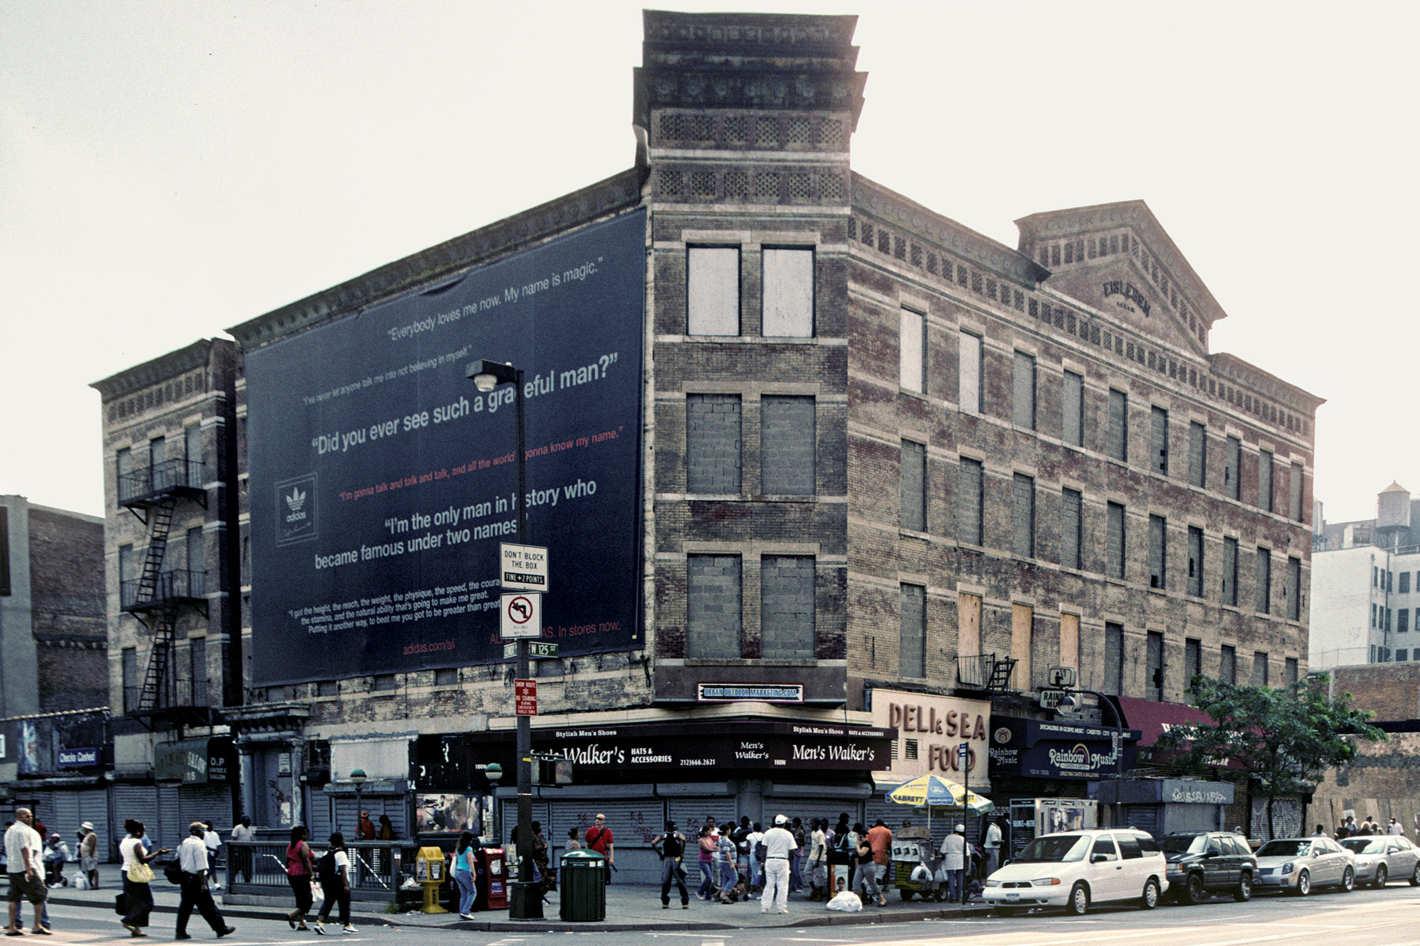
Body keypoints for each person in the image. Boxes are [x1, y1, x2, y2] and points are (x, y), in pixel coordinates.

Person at [175, 821, 235, 939]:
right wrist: (203, 883)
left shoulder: (185, 842)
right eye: (202, 831)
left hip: (186, 878)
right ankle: (220, 928)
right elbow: (201, 866)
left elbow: (178, 858)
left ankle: (180, 931)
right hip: (197, 879)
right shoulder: (199, 844)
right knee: (208, 905)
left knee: (185, 907)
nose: (204, 833)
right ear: (196, 832)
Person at [118, 817, 169, 938]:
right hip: (136, 873)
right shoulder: (136, 843)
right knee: (147, 902)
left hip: (126, 871)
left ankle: (136, 929)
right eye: (143, 831)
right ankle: (128, 920)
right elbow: (143, 860)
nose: (144, 833)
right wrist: (158, 853)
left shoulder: (124, 841)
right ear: (138, 832)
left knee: (134, 902)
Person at [5, 808, 47, 936]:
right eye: (26, 816)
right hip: (24, 868)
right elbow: (25, 850)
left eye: (30, 816)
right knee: (40, 895)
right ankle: (37, 925)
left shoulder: (9, 831)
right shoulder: (23, 831)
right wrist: (29, 868)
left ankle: (12, 927)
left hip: (12, 868)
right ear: (18, 817)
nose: (29, 818)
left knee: (14, 898)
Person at [313, 832, 355, 935]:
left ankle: (320, 923)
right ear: (341, 841)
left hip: (327, 882)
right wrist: (345, 884)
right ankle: (346, 925)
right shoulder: (341, 854)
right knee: (344, 903)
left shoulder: (327, 853)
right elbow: (343, 870)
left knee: (328, 903)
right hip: (339, 882)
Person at [759, 814, 797, 915]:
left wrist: (762, 862)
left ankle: (765, 907)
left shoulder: (768, 833)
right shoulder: (788, 834)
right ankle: (781, 908)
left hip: (770, 860)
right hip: (783, 861)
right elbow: (792, 851)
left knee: (769, 885)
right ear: (784, 823)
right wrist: (790, 862)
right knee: (782, 885)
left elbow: (764, 849)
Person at [652, 820, 689, 909]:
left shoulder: (664, 835)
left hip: (669, 859)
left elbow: (653, 843)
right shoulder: (677, 835)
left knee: (667, 881)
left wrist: (660, 854)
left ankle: (666, 902)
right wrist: (681, 854)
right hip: (675, 858)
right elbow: (684, 842)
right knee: (679, 881)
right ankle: (684, 902)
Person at [284, 826, 315, 931]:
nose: (307, 836)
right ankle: (292, 915)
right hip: (302, 873)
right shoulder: (303, 844)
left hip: (291, 873)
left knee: (300, 898)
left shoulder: (290, 845)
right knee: (308, 899)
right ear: (302, 834)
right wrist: (312, 874)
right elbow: (307, 860)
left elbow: (287, 860)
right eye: (306, 834)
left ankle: (302, 923)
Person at [865, 818, 893, 906]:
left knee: (870, 876)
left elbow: (867, 843)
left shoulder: (870, 831)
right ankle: (871, 893)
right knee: (878, 877)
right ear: (883, 824)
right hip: (882, 856)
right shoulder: (887, 831)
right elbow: (889, 844)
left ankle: (869, 893)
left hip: (871, 856)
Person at [851, 821, 880, 906]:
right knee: (855, 884)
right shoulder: (860, 843)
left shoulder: (866, 843)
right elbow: (857, 856)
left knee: (872, 884)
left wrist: (857, 845)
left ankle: (881, 898)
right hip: (861, 866)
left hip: (868, 866)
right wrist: (857, 867)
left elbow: (861, 853)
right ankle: (858, 902)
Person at [451, 831, 477, 920]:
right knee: (473, 892)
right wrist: (474, 873)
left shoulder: (458, 848)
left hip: (458, 872)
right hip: (465, 872)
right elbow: (470, 861)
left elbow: (456, 860)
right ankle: (465, 911)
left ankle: (462, 912)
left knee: (464, 894)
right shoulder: (469, 849)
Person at [939, 824, 966, 904]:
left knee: (951, 878)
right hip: (960, 860)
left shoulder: (948, 837)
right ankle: (959, 897)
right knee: (960, 879)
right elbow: (967, 853)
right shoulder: (963, 839)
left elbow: (943, 851)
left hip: (950, 859)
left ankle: (953, 897)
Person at [584, 813, 614, 879]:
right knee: (592, 874)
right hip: (592, 857)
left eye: (600, 819)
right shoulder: (590, 831)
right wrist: (587, 855)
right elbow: (586, 844)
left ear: (603, 821)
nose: (597, 820)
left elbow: (611, 846)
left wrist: (611, 858)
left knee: (602, 875)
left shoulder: (608, 831)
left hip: (603, 856)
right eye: (596, 818)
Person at [229, 816, 254, 885]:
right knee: (237, 866)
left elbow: (251, 838)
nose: (249, 823)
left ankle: (247, 881)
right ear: (243, 822)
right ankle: (232, 880)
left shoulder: (250, 828)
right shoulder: (238, 828)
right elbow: (233, 838)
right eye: (247, 821)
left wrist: (253, 847)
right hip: (240, 849)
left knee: (248, 866)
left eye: (249, 822)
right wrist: (235, 850)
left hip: (247, 849)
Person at [807, 818, 828, 901]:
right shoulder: (813, 833)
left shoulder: (820, 834)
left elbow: (821, 846)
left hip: (819, 858)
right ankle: (814, 890)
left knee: (819, 876)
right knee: (807, 872)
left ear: (817, 825)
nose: (810, 825)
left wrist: (818, 860)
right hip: (811, 856)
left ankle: (819, 893)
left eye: (812, 824)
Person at [696, 825, 716, 901]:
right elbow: (707, 849)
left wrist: (718, 848)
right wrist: (716, 850)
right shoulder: (701, 840)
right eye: (709, 831)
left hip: (709, 860)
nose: (710, 832)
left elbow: (714, 846)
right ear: (705, 832)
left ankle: (708, 895)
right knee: (709, 877)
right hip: (703, 861)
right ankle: (700, 892)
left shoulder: (709, 838)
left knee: (710, 879)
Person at [77, 822, 100, 890]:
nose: (83, 829)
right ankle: (90, 883)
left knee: (94, 869)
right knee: (90, 870)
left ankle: (96, 884)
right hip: (86, 855)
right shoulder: (87, 835)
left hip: (91, 855)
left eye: (84, 828)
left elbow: (92, 846)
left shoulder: (92, 835)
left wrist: (90, 855)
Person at [745, 821, 765, 894]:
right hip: (761, 856)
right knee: (760, 872)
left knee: (754, 873)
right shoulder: (763, 835)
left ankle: (758, 889)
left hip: (753, 855)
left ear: (753, 828)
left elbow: (747, 847)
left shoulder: (750, 836)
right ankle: (754, 889)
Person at [201, 822, 222, 890]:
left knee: (211, 869)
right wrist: (213, 850)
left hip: (213, 854)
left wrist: (217, 852)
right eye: (209, 825)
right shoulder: (203, 834)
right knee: (210, 869)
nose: (211, 826)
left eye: (211, 825)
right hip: (207, 853)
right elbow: (204, 845)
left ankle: (210, 884)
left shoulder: (215, 834)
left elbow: (218, 844)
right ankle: (213, 884)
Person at [788, 817, 806, 893]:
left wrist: (796, 842)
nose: (792, 824)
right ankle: (793, 886)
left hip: (797, 852)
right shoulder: (794, 831)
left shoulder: (800, 832)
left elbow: (802, 843)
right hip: (793, 852)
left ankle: (800, 885)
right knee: (792, 870)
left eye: (794, 822)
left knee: (796, 870)